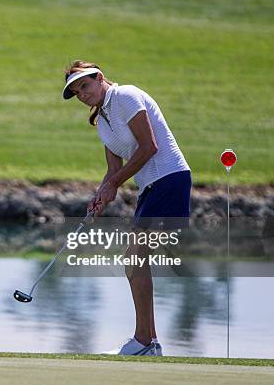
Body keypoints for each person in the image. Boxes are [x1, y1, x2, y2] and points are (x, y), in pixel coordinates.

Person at [62, 60, 191, 356]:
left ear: (100, 78)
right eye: (76, 92)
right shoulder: (103, 122)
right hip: (151, 186)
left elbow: (150, 147)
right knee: (134, 260)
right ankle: (149, 342)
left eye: (84, 85)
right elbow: (113, 170)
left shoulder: (126, 96)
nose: (82, 94)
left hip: (170, 178)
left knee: (134, 257)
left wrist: (114, 184)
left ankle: (145, 341)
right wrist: (101, 194)